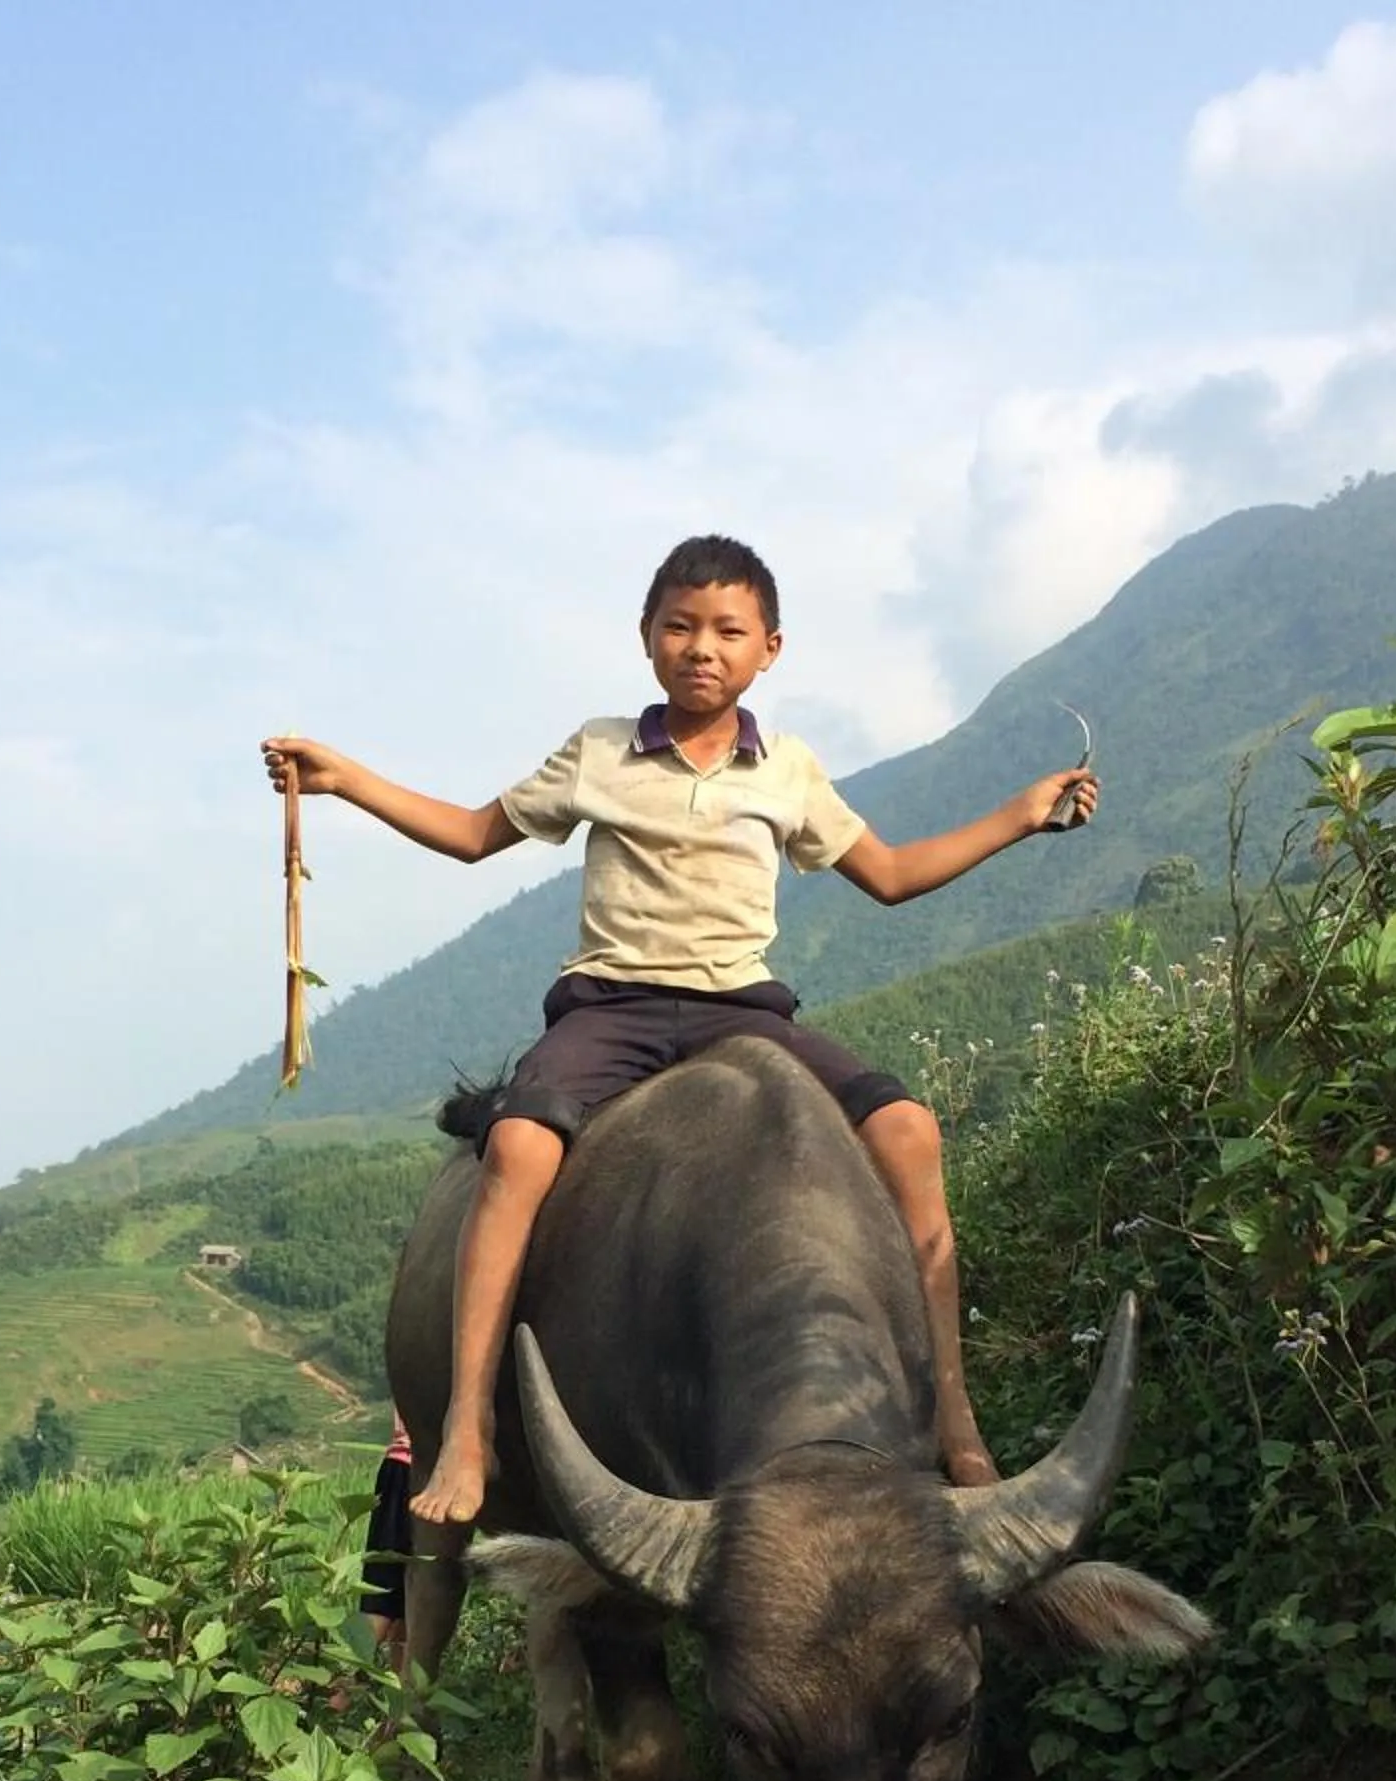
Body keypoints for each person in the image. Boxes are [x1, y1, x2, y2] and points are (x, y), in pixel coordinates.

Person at [261, 533, 1095, 1529]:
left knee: (910, 1130)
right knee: (519, 1145)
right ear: (647, 639)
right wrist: (346, 779)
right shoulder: (601, 750)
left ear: (769, 650)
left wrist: (1019, 814)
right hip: (611, 1005)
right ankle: (472, 1425)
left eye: (728, 631)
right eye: (680, 626)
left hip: (741, 1008)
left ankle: (952, 1416)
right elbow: (477, 834)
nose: (703, 647)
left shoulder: (788, 771)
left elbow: (893, 875)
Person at [357, 1412, 412, 1660]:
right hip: (409, 1469)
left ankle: (401, 1694)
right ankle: (338, 1691)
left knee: (412, 1602)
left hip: (430, 1472)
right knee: (383, 1592)